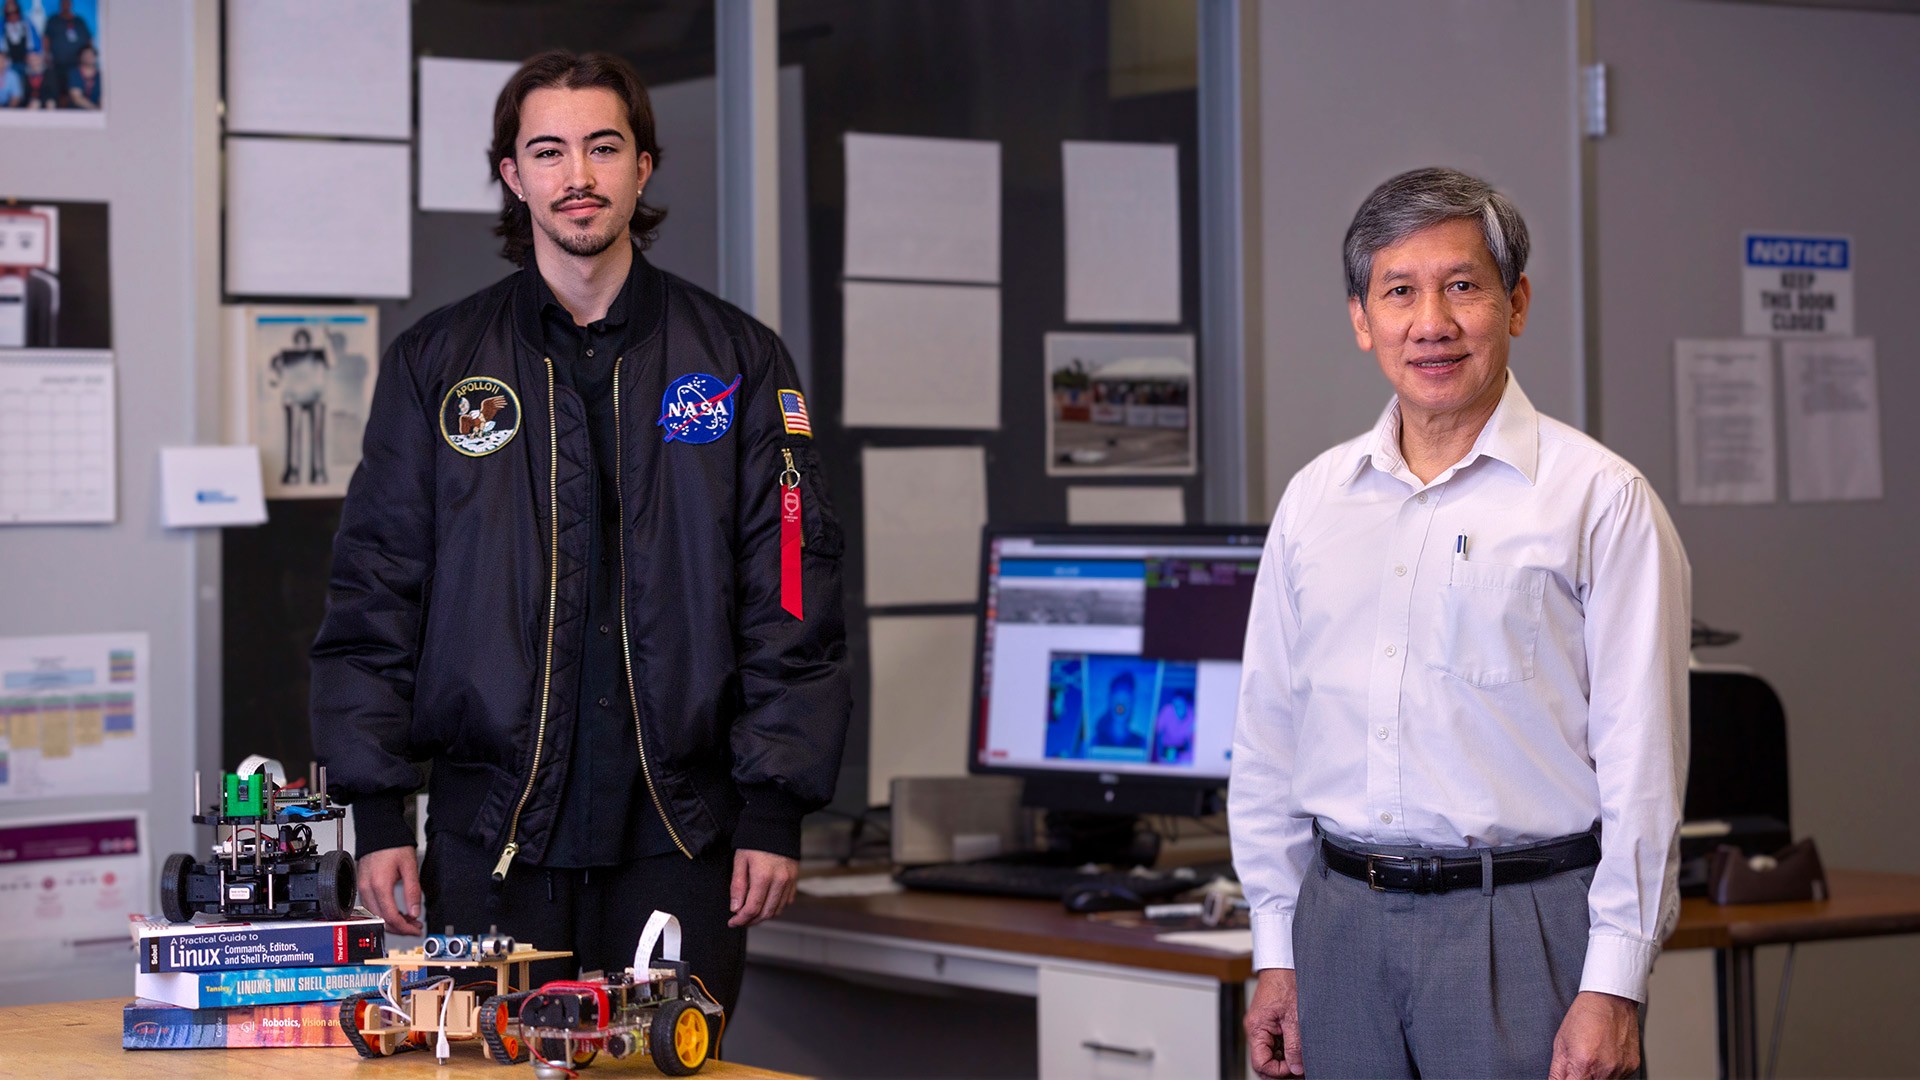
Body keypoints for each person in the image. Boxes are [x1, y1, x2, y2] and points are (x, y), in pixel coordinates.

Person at [310, 50, 851, 1022]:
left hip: (686, 840)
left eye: (604, 147)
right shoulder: (438, 362)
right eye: (548, 152)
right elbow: (374, 591)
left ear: (645, 166)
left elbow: (794, 591)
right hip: (491, 840)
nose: (579, 176)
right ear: (513, 177)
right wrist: (379, 811)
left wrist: (775, 807)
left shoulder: (739, 359)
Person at [1230, 167, 1688, 1079]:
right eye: (1399, 291)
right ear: (1363, 319)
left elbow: (1646, 766)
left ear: (1514, 305)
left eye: (1463, 286)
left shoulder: (1600, 499)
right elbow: (1267, 739)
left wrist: (1614, 980)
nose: (1430, 322)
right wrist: (1275, 947)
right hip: (1339, 925)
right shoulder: (1316, 500)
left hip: (1522, 931)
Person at [2, 0, 40, 72]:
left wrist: (30, 56)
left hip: (27, 65)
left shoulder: (27, 24)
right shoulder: (1, 27)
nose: (12, 16)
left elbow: (36, 45)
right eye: (8, 13)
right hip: (8, 67)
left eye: (15, 12)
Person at [63, 42, 96, 110]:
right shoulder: (74, 73)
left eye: (91, 55)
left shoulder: (99, 75)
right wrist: (95, 109)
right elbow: (77, 98)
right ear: (81, 57)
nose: (88, 58)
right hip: (77, 112)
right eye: (86, 55)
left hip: (99, 114)